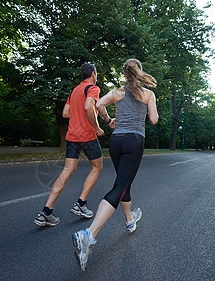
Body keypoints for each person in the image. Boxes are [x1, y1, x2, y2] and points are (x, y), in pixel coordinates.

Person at [72, 58, 159, 271]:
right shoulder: (148, 94)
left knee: (123, 183)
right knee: (120, 186)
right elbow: (154, 120)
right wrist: (149, 109)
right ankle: (89, 235)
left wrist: (109, 120)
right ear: (139, 72)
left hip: (116, 141)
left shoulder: (116, 92)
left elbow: (98, 105)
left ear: (125, 73)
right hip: (134, 142)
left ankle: (130, 220)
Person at [34, 62, 115, 227]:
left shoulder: (75, 90)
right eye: (96, 73)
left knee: (67, 170)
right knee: (97, 167)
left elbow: (65, 113)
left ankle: (46, 211)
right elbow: (88, 107)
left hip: (72, 136)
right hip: (87, 135)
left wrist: (79, 117)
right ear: (93, 74)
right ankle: (81, 204)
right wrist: (97, 127)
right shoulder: (93, 88)